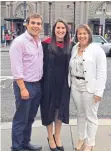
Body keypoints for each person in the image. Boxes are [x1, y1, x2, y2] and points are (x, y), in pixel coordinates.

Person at [68, 24, 107, 151]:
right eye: (79, 33)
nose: (82, 36)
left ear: (89, 35)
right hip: (75, 86)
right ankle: (81, 138)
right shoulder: (74, 48)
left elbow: (102, 72)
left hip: (89, 87)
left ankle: (90, 143)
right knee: (80, 114)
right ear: (76, 35)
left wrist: (99, 92)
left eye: (85, 33)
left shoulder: (97, 50)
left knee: (91, 116)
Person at [9, 13, 43, 151]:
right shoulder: (19, 42)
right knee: (21, 119)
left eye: (38, 23)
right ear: (27, 24)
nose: (35, 26)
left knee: (30, 118)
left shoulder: (38, 40)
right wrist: (23, 88)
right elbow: (17, 68)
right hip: (25, 85)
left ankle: (25, 143)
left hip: (37, 84)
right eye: (33, 23)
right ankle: (16, 147)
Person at [40, 19, 71, 151]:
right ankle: (50, 137)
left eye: (63, 28)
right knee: (49, 110)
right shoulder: (45, 44)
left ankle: (57, 136)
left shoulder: (70, 45)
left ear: (66, 30)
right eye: (58, 28)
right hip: (48, 84)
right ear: (54, 29)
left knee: (60, 111)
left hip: (63, 84)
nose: (60, 30)